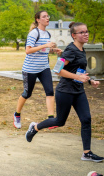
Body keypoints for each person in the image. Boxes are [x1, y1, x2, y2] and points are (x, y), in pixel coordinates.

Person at [25, 22, 103, 162]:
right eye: (82, 32)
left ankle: (87, 152)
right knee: (60, 121)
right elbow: (58, 69)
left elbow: (79, 69)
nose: (86, 34)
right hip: (65, 91)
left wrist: (90, 80)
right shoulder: (70, 50)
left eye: (87, 31)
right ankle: (35, 127)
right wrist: (77, 77)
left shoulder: (81, 50)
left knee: (86, 119)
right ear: (74, 35)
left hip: (78, 91)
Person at [13, 11, 62, 129]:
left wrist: (53, 50)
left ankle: (51, 120)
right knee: (27, 93)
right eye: (44, 16)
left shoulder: (48, 34)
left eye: (48, 16)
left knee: (50, 92)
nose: (47, 18)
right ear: (38, 20)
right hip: (30, 69)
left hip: (44, 67)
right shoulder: (34, 33)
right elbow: (28, 50)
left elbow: (43, 51)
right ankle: (17, 114)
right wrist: (45, 45)